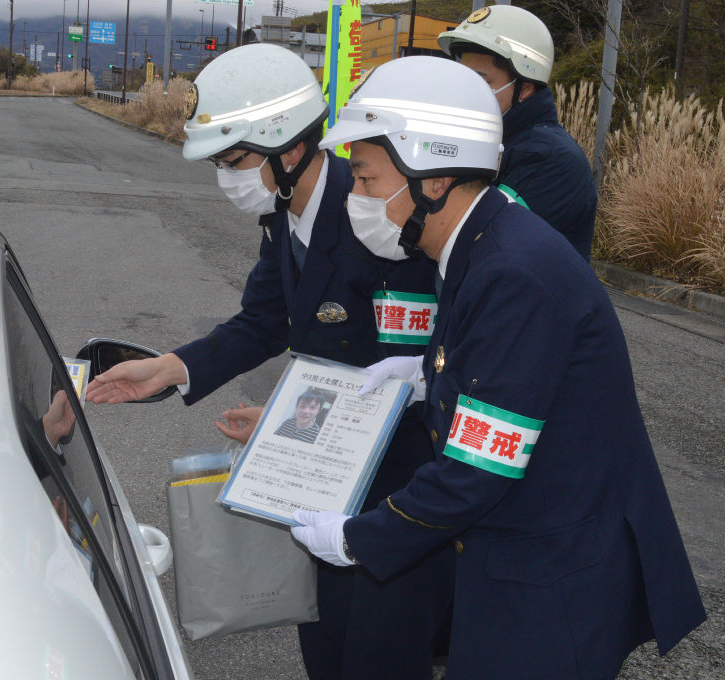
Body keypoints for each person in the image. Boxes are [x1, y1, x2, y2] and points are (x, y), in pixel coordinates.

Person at [290, 56, 706, 680]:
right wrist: (425, 375)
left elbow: (477, 467)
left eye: (369, 179)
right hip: (520, 550)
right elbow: (511, 372)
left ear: (431, 178)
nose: (358, 197)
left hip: (553, 579)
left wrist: (357, 538)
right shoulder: (479, 242)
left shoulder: (511, 270)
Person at [88, 43, 451, 680]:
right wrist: (170, 368)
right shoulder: (285, 216)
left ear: (287, 148)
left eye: (233, 160)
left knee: (380, 654)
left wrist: (295, 422)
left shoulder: (379, 219)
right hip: (328, 483)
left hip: (393, 488)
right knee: (326, 641)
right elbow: (263, 321)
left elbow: (410, 375)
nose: (225, 178)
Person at [438, 4, 598, 261]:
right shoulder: (486, 142)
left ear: (524, 88)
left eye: (481, 81)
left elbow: (479, 239)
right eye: (464, 79)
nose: (467, 91)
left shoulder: (550, 160)